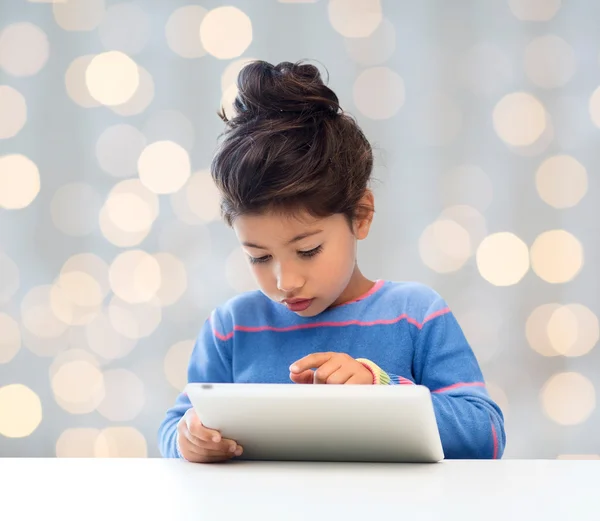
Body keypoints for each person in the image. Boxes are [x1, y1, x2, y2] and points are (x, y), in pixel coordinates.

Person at [157, 59, 506, 463]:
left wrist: (382, 390)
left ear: (360, 215)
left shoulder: (414, 315)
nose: (285, 280)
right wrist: (188, 441)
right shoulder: (232, 329)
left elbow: (487, 436)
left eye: (307, 251)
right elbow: (176, 427)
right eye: (259, 256)